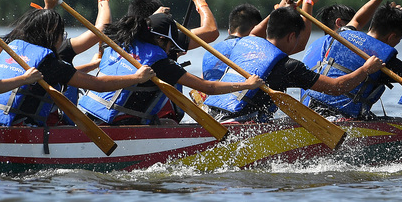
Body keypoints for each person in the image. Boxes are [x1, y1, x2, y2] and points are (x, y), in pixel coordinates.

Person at [204, 0, 384, 122]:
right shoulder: (289, 67)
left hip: (211, 116)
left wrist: (280, 9)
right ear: (291, 37)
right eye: (298, 38)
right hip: (240, 123)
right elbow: (336, 88)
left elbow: (255, 31)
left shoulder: (246, 42)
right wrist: (366, 69)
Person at [0, 8, 156, 127]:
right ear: (51, 36)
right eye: (61, 35)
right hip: (23, 130)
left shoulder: (11, 47)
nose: (63, 39)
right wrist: (137, 77)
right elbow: (98, 85)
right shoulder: (50, 64)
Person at [77, 13, 263, 125]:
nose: (169, 51)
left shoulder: (121, 43)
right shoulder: (159, 64)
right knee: (170, 124)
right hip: (120, 123)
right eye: (170, 46)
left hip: (90, 115)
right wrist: (247, 84)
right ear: (160, 40)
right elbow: (208, 88)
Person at [202, 3, 263, 81]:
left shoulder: (210, 51)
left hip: (211, 90)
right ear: (255, 29)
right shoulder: (252, 51)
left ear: (229, 31)